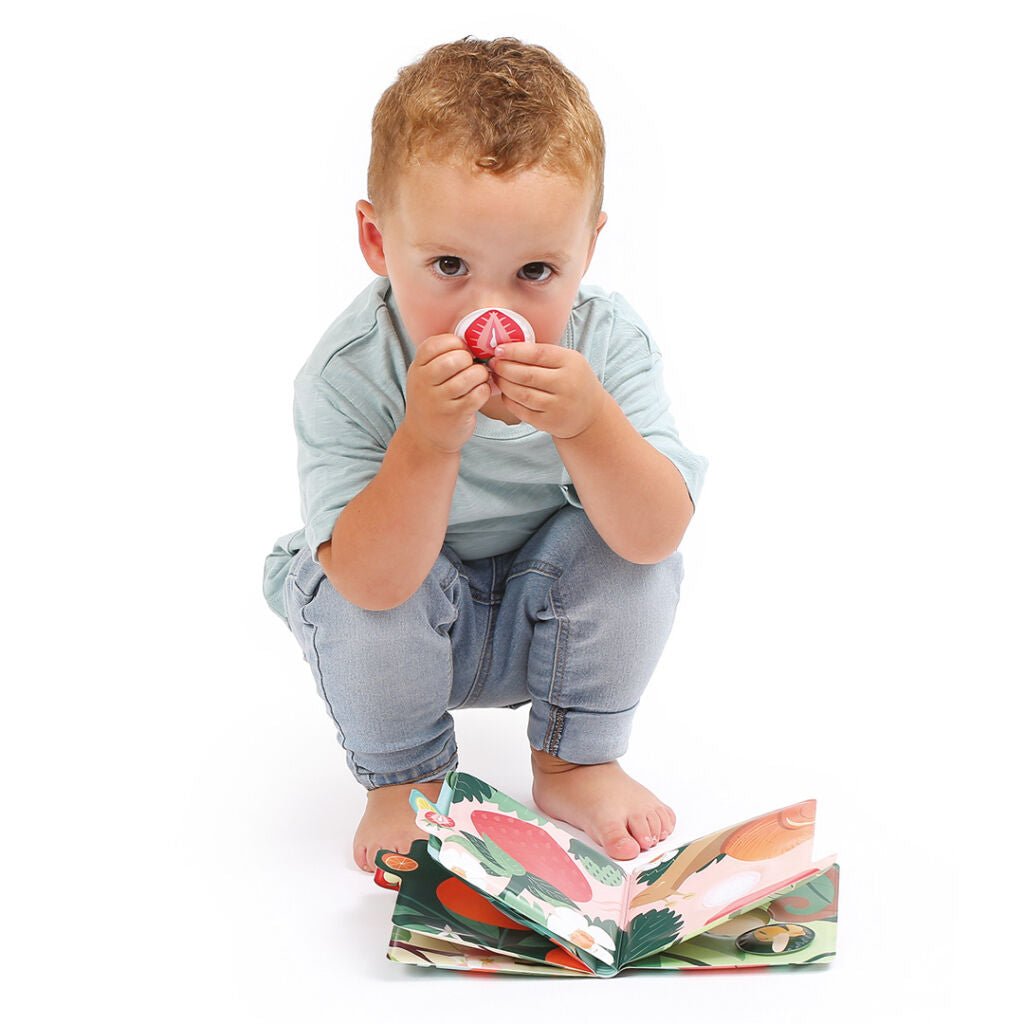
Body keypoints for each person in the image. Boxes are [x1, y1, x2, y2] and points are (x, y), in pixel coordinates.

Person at [262, 37, 708, 873]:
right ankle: (407, 779)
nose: (490, 313)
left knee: (627, 549)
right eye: (450, 267)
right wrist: (427, 444)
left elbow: (657, 537)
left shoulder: (606, 343)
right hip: (402, 612)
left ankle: (577, 760)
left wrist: (589, 427)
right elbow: (372, 580)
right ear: (374, 240)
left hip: (553, 614)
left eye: (536, 270)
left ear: (590, 248)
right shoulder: (349, 370)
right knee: (350, 581)